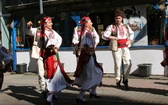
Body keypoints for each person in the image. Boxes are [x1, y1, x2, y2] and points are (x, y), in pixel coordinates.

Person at [73, 16, 103, 103]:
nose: (92, 23)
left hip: (89, 55)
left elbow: (96, 39)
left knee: (98, 71)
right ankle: (80, 96)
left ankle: (92, 92)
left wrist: (93, 47)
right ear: (86, 23)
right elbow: (82, 43)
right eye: (90, 22)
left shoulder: (89, 31)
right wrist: (87, 49)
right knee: (89, 75)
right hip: (86, 56)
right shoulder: (85, 33)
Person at [102, 9, 134, 89]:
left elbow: (132, 34)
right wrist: (111, 37)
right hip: (116, 48)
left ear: (122, 18)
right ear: (114, 19)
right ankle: (118, 80)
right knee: (118, 65)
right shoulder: (111, 27)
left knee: (128, 63)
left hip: (125, 47)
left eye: (119, 18)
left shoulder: (126, 26)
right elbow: (104, 35)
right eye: (117, 18)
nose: (118, 19)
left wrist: (129, 40)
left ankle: (125, 79)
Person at [26, 15, 47, 98]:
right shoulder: (36, 30)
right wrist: (28, 26)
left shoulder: (49, 30)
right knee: (41, 73)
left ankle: (50, 89)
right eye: (42, 20)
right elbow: (29, 31)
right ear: (39, 21)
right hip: (39, 54)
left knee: (49, 73)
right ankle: (43, 90)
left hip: (48, 54)